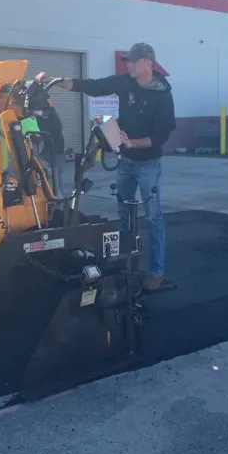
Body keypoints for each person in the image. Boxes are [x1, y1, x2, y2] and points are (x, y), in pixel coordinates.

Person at [56, 42, 176, 291]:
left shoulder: (163, 96)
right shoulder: (125, 83)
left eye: (134, 61)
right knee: (123, 212)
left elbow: (162, 135)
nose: (129, 65)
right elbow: (97, 86)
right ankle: (125, 259)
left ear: (149, 63)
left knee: (153, 217)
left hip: (148, 164)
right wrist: (69, 83)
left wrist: (134, 143)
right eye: (128, 61)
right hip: (126, 162)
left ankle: (156, 272)